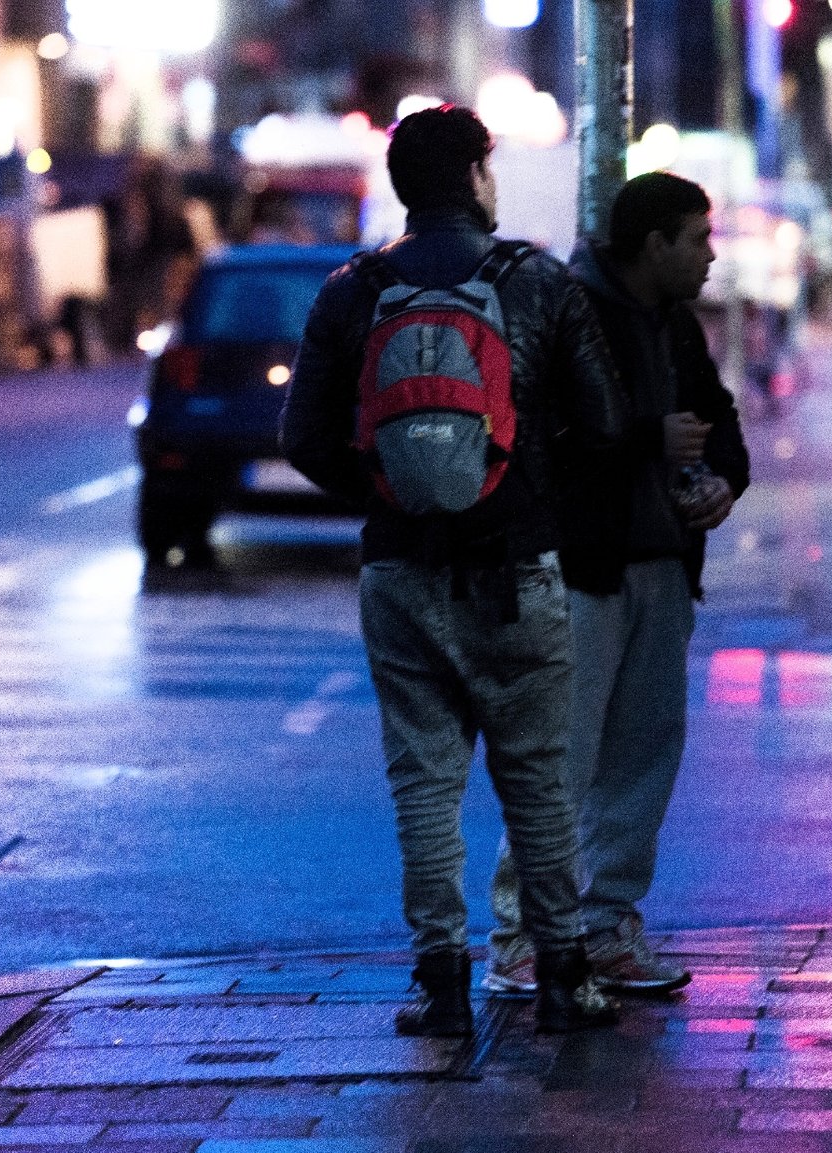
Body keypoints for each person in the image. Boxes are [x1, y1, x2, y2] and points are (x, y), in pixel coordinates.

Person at [280, 106, 628, 1036]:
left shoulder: (353, 289)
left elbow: (303, 435)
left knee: (425, 786)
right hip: (515, 567)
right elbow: (605, 425)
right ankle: (563, 974)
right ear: (478, 176)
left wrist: (391, 487)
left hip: (398, 569)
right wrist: (521, 481)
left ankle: (438, 985)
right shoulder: (538, 283)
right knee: (538, 779)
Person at [485, 172, 750, 997]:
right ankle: (524, 936)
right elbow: (536, 440)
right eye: (697, 238)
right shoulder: (567, 311)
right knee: (561, 756)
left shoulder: (673, 325)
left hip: (661, 564)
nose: (710, 255)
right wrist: (647, 440)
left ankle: (606, 925)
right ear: (653, 245)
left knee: (643, 753)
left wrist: (720, 483)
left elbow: (720, 421)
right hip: (582, 566)